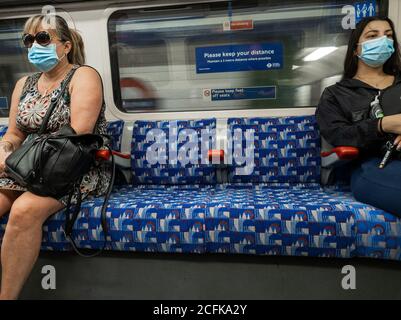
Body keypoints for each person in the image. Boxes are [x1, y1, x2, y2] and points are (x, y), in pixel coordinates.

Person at [0, 14, 110, 299]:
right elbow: (14, 133)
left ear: (66, 46)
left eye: (43, 38)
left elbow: (79, 131)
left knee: (24, 210)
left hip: (71, 167)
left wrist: (27, 157)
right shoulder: (24, 83)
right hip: (26, 166)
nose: (35, 45)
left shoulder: (83, 76)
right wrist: (5, 151)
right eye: (29, 40)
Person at [316, 16, 401, 217]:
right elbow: (338, 135)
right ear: (356, 49)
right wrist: (382, 125)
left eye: (388, 36)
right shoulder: (336, 94)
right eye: (373, 35)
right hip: (374, 165)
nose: (382, 40)